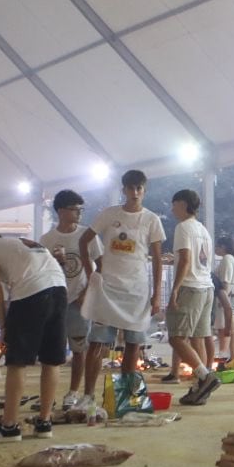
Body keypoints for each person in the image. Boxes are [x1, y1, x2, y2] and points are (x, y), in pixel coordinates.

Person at [0, 229, 65, 438]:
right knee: (51, 360)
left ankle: (9, 426)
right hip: (59, 289)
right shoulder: (18, 245)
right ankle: (44, 423)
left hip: (33, 291)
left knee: (16, 362)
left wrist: (4, 326)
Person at [79, 170, 165, 396]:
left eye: (139, 188)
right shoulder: (109, 214)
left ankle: (127, 396)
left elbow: (157, 259)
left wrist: (157, 295)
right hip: (107, 288)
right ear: (124, 190)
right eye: (130, 188)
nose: (135, 193)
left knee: (133, 344)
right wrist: (91, 273)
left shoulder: (152, 220)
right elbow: (84, 241)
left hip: (137, 291)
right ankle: (88, 395)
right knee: (97, 342)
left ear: (144, 190)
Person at [166, 189, 220, 406]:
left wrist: (174, 289)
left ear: (183, 204)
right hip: (207, 287)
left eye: (174, 204)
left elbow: (186, 260)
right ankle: (200, 388)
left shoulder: (183, 227)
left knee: (176, 337)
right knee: (198, 338)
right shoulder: (203, 229)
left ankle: (205, 377)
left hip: (190, 287)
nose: (172, 209)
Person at [40, 190, 93, 410]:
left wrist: (87, 293)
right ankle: (48, 395)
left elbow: (99, 266)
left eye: (81, 209)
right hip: (55, 301)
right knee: (52, 351)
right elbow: (42, 271)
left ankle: (73, 392)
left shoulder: (87, 235)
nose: (79, 213)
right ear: (61, 211)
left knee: (79, 348)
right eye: (74, 209)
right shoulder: (47, 240)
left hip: (79, 301)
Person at [213, 232, 234, 364]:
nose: (215, 249)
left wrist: (223, 301)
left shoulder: (227, 259)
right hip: (231, 295)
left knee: (229, 327)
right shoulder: (230, 259)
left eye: (217, 246)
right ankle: (229, 355)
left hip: (229, 295)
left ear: (223, 247)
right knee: (228, 326)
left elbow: (226, 282)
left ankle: (230, 356)